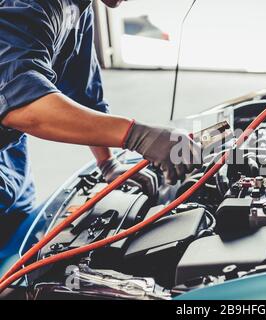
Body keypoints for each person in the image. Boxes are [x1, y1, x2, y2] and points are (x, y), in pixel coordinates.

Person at [0, 0, 198, 240]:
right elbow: (21, 104)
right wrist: (139, 136)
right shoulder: (31, 3)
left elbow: (84, 93)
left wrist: (107, 163)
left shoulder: (79, 8)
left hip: (11, 162)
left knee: (17, 239)